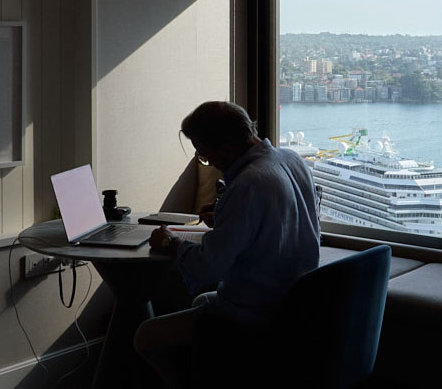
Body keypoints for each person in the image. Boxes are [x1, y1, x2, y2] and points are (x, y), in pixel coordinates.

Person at [134, 101, 321, 388]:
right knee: (200, 303)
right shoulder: (291, 160)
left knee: (146, 336)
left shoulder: (248, 184)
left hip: (255, 314)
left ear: (227, 150)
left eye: (205, 156)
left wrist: (172, 243)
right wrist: (225, 220)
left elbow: (210, 268)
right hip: (292, 304)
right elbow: (274, 226)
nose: (205, 161)